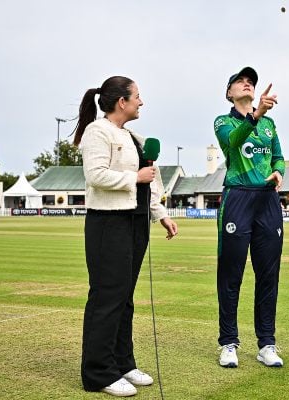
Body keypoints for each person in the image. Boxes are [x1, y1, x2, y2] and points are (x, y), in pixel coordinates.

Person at [73, 76, 178, 397]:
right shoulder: (97, 131)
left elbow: (151, 182)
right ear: (122, 102)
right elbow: (95, 175)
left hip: (135, 221)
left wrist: (161, 215)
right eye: (137, 97)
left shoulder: (132, 136)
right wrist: (135, 176)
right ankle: (98, 373)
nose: (141, 102)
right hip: (108, 223)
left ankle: (122, 363)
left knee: (125, 298)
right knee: (107, 297)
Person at [213, 66, 285, 368]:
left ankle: (267, 343)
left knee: (268, 275)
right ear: (229, 93)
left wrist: (279, 170)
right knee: (231, 274)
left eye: (251, 82)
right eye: (240, 82)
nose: (247, 84)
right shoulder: (223, 121)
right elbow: (234, 141)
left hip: (267, 200)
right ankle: (228, 342)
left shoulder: (269, 124)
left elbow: (279, 155)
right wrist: (254, 116)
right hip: (238, 197)